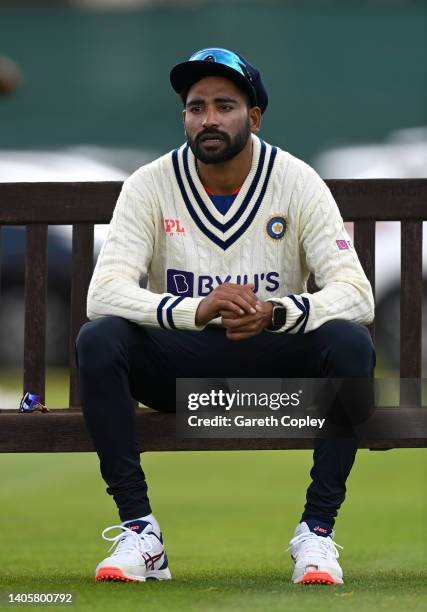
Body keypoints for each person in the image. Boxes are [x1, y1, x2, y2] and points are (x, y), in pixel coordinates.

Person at [76, 47, 375, 585]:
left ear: (253, 117)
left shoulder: (297, 180)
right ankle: (141, 531)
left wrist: (277, 312)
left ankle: (317, 534)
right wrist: (196, 309)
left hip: (275, 378)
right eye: (195, 107)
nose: (208, 119)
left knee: (351, 343)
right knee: (100, 338)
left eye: (224, 105)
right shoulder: (150, 182)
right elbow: (104, 292)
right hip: (182, 373)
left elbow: (357, 294)